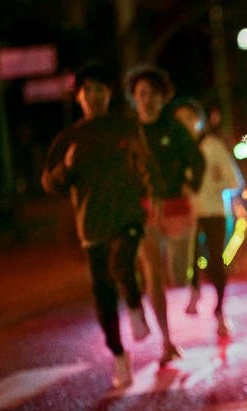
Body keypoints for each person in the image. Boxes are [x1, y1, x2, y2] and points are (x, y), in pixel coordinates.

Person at [42, 61, 159, 388]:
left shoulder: (125, 126)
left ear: (109, 93)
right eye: (87, 90)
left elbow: (146, 164)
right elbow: (50, 184)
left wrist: (150, 197)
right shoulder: (70, 138)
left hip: (127, 216)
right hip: (92, 226)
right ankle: (119, 355)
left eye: (99, 89)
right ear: (79, 97)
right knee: (103, 295)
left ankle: (136, 306)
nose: (93, 96)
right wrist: (64, 169)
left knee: (123, 263)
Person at [125, 65, 205, 365]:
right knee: (152, 275)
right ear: (135, 98)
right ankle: (167, 341)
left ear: (162, 98)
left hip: (176, 208)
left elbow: (197, 161)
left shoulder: (174, 129)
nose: (147, 100)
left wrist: (188, 183)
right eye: (141, 94)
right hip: (147, 211)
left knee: (179, 276)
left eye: (153, 94)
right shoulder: (130, 134)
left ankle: (187, 290)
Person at [172, 97, 243, 338]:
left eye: (189, 119)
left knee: (215, 263)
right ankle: (194, 295)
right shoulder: (179, 152)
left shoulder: (213, 146)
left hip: (215, 213)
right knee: (191, 257)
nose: (185, 125)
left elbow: (235, 181)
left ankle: (220, 312)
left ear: (199, 120)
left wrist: (215, 180)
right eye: (179, 121)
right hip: (192, 214)